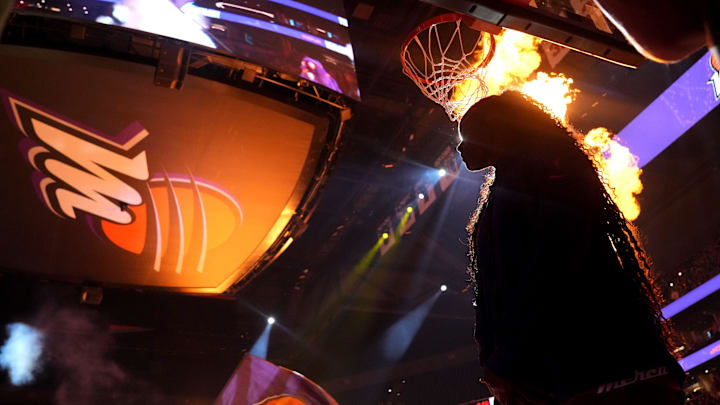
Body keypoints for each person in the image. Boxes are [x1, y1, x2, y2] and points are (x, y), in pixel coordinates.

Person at [457, 91, 686, 404]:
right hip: (579, 367)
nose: (460, 147)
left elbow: (547, 276)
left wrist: (505, 360)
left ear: (498, 132)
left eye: (468, 136)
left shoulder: (547, 180)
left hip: (589, 367)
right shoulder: (514, 188)